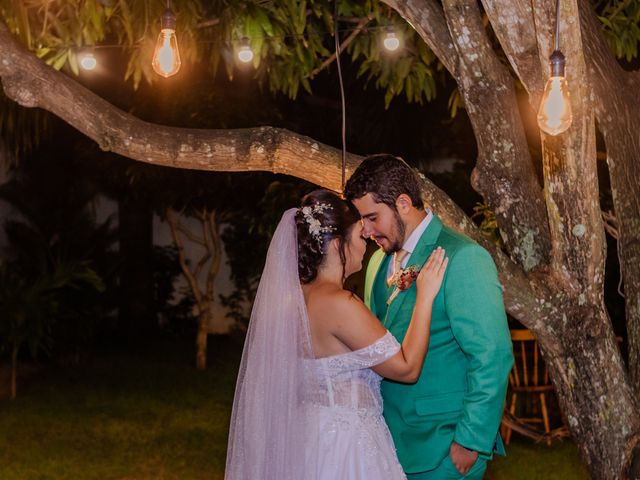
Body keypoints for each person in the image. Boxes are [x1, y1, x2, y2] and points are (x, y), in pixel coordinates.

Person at [225, 189, 447, 480]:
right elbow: (407, 368)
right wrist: (425, 297)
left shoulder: (288, 302)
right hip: (347, 449)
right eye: (358, 237)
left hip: (304, 443)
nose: (365, 246)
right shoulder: (340, 303)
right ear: (335, 246)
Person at [344, 154, 514, 480]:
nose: (365, 231)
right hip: (384, 441)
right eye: (361, 220)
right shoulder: (378, 264)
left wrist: (470, 439)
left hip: (443, 445)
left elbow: (491, 355)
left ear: (403, 203)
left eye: (372, 218)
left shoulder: (464, 257)